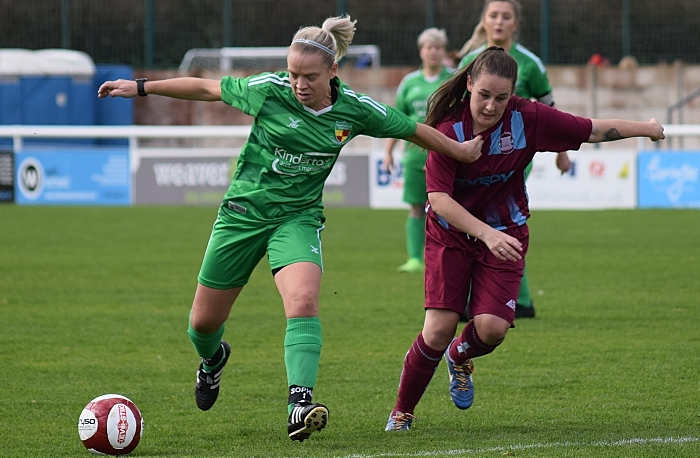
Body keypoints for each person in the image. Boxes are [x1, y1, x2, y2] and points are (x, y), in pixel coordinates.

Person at [98, 15, 483, 442]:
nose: (298, 83)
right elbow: (207, 89)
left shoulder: (355, 110)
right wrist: (140, 86)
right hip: (242, 216)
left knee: (302, 299)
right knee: (202, 325)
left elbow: (413, 130)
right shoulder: (269, 90)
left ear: (333, 71)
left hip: (297, 219)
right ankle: (212, 361)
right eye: (294, 73)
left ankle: (299, 403)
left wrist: (461, 151)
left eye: (309, 76)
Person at [384, 47, 664, 431]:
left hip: (507, 231)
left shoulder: (527, 117)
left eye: (501, 98)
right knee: (438, 327)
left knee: (493, 329)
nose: (490, 106)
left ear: (513, 93)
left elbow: (591, 128)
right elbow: (439, 200)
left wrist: (645, 128)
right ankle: (402, 412)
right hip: (451, 235)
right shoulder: (449, 129)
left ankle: (460, 355)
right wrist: (484, 233)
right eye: (483, 95)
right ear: (468, 85)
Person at [457, 0, 571, 318]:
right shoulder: (469, 61)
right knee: (480, 219)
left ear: (514, 24)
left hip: (512, 154)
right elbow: (451, 107)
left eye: (506, 17)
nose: (499, 21)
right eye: (493, 15)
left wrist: (561, 153)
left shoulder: (530, 64)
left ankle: (512, 300)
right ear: (484, 20)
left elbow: (551, 112)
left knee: (499, 216)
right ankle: (510, 300)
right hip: (471, 153)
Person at [384, 28, 454, 273]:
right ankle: (415, 258)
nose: (433, 52)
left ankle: (446, 256)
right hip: (414, 154)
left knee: (448, 208)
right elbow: (398, 118)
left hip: (447, 153)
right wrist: (388, 151)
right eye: (428, 47)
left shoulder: (453, 79)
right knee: (416, 206)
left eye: (437, 47)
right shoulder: (410, 82)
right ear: (421, 51)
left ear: (443, 51)